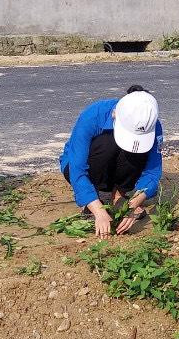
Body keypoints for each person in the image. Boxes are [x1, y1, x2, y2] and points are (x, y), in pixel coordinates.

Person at [59, 86, 163, 237]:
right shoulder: (93, 115)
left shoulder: (152, 125)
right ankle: (95, 196)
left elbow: (153, 171)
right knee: (107, 142)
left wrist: (134, 203)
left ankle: (119, 195)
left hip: (118, 168)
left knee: (137, 150)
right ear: (115, 114)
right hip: (82, 165)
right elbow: (77, 169)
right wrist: (98, 211)